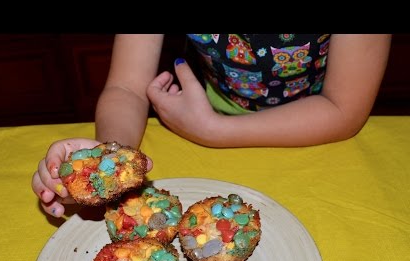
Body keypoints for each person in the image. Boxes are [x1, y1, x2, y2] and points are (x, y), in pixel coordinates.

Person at [32, 34, 392, 217]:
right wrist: (107, 161)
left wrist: (214, 131)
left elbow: (344, 111)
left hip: (317, 130)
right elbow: (126, 86)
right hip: (205, 114)